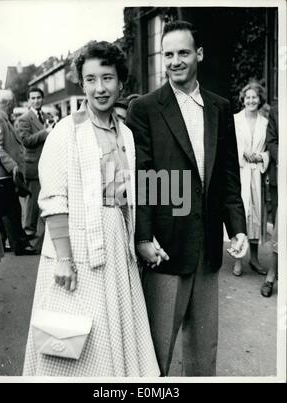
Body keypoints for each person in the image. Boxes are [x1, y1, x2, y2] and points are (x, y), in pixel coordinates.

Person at [23, 40, 160, 377]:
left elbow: (132, 195)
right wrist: (65, 260)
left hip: (116, 243)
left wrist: (141, 239)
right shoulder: (65, 133)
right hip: (77, 248)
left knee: (111, 328)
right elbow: (53, 198)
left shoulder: (126, 134)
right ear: (81, 83)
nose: (100, 88)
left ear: (121, 83)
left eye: (108, 78)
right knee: (74, 336)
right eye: (91, 79)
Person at [126, 20, 248, 377]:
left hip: (208, 248)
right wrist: (144, 237)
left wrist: (237, 228)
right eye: (168, 54)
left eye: (183, 52)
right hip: (165, 247)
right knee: (157, 352)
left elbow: (228, 174)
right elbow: (143, 178)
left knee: (203, 352)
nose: (175, 61)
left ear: (199, 54)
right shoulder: (145, 108)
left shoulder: (220, 107)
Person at [233, 81, 269, 276]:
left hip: (258, 174)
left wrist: (262, 157)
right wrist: (243, 153)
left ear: (260, 99)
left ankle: (254, 259)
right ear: (243, 99)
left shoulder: (266, 122)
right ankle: (238, 259)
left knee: (256, 214)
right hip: (241, 171)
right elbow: (229, 145)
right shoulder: (235, 120)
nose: (251, 100)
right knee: (241, 213)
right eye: (248, 97)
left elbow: (270, 147)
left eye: (255, 97)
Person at [0, 90, 37, 256]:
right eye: (12, 102)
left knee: (6, 211)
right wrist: (13, 166)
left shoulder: (2, 118)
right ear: (7, 103)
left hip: (3, 173)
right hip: (4, 173)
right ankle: (19, 245)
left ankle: (7, 243)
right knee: (11, 210)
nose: (13, 105)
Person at [18, 87, 54, 242]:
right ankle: (29, 231)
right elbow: (26, 141)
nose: (36, 100)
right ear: (28, 100)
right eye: (33, 98)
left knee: (48, 196)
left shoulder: (48, 116)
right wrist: (45, 133)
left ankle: (45, 231)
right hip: (33, 165)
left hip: (49, 163)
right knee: (32, 201)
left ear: (43, 98)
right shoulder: (24, 119)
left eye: (38, 97)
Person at [261, 105, 278, 297]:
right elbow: (271, 141)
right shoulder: (277, 111)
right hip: (282, 177)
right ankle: (271, 276)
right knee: (281, 230)